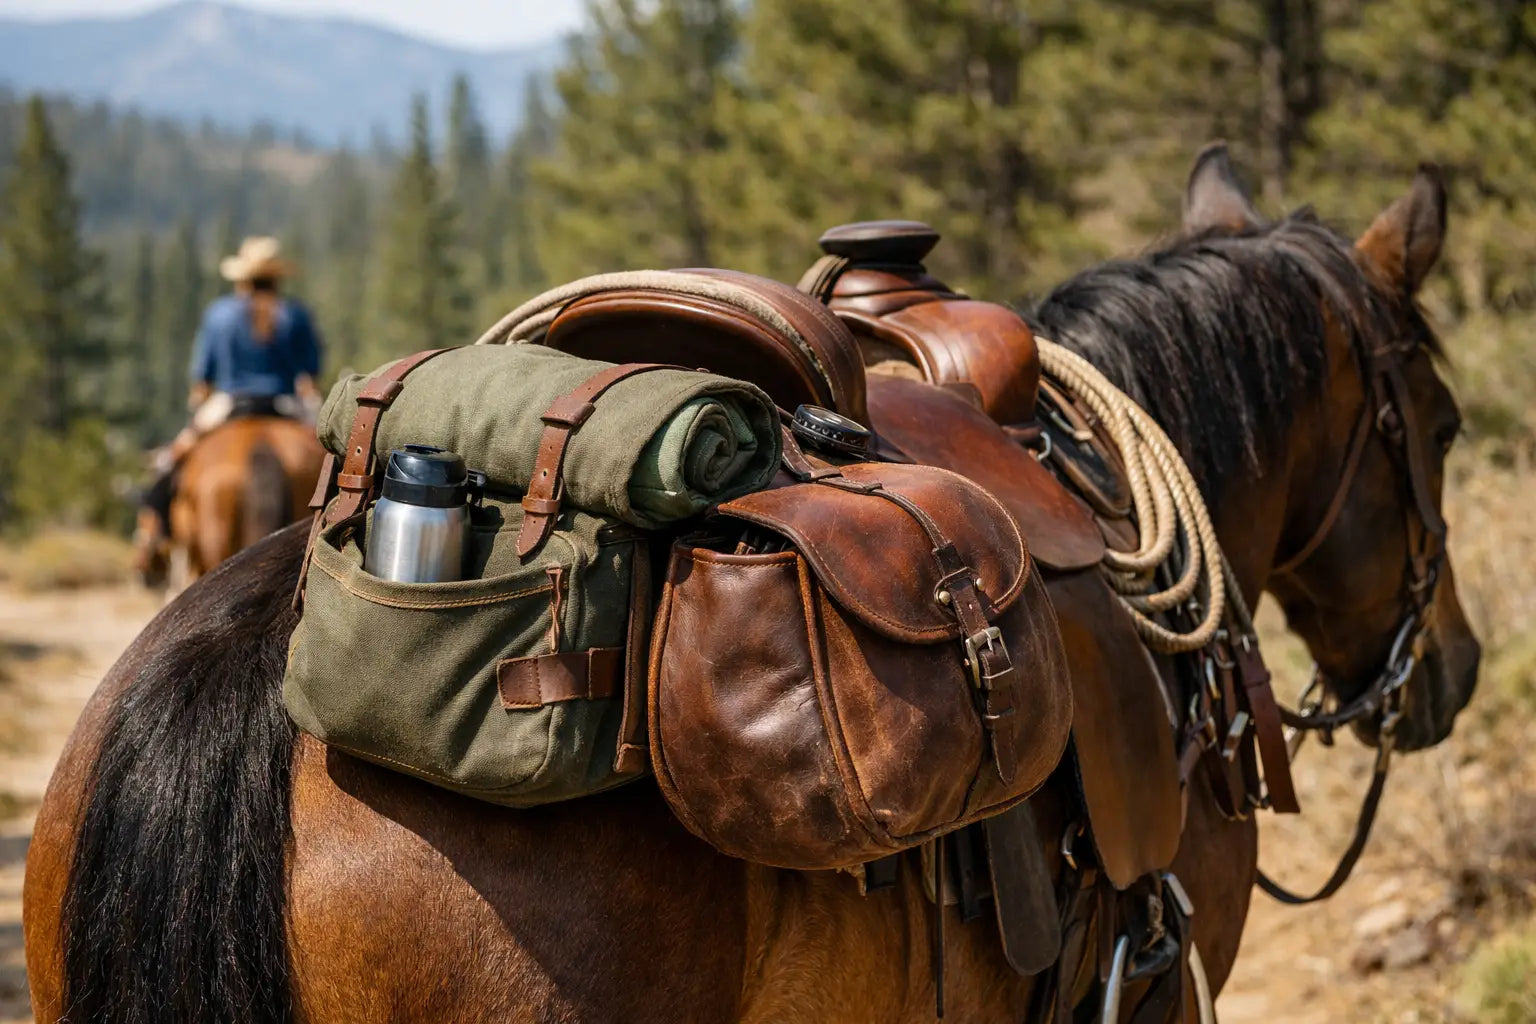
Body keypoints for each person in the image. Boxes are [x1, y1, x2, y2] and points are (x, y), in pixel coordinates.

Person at [134, 235, 323, 573]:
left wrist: (196, 408)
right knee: (338, 467)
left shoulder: (219, 314)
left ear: (241, 279)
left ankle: (152, 539)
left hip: (228, 404)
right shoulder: (295, 315)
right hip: (286, 404)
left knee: (169, 464)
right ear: (277, 279)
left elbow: (202, 382)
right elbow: (310, 376)